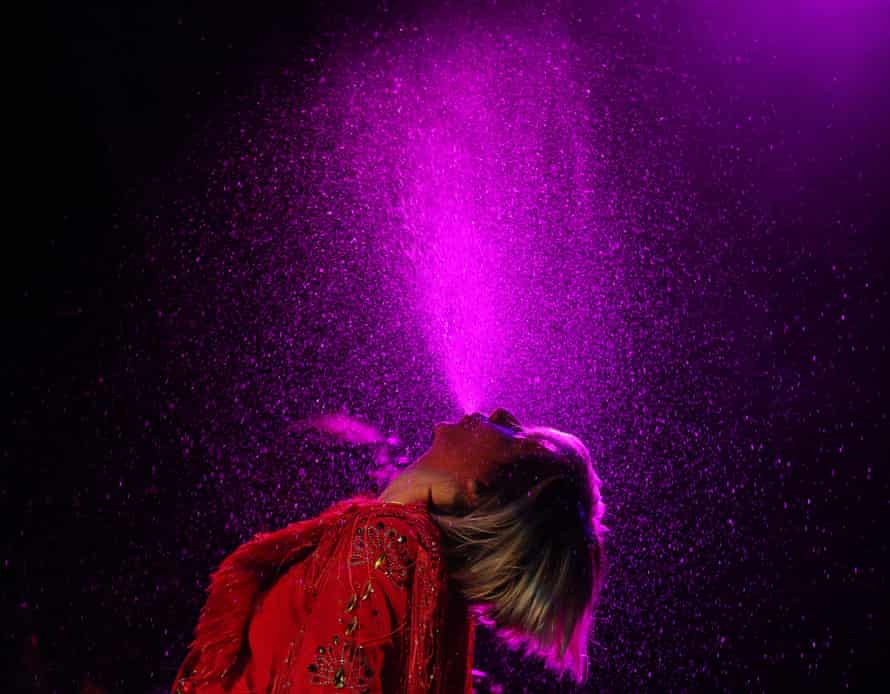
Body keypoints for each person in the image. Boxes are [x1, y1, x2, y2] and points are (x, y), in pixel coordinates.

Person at [171, 407, 607, 693]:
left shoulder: (388, 543)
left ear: (482, 492)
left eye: (512, 436)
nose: (500, 412)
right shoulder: (415, 565)